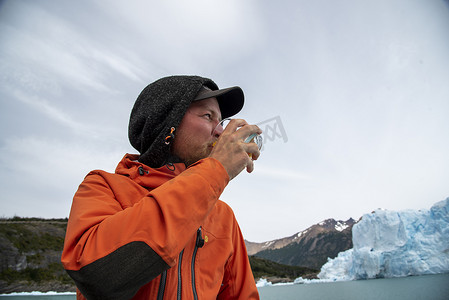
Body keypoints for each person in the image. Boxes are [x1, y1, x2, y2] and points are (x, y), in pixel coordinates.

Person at [61, 75, 262, 299]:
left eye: (221, 123)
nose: (221, 132)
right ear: (169, 124)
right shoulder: (102, 187)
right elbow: (97, 278)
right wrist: (215, 170)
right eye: (208, 116)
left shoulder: (223, 216)